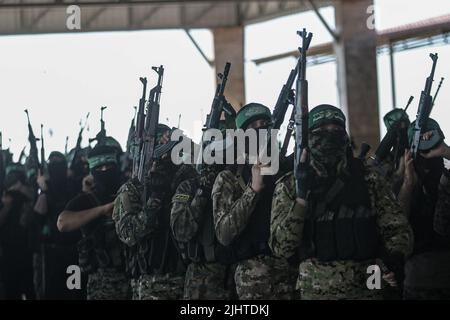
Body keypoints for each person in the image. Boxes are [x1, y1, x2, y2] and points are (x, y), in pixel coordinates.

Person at [270, 104, 413, 300]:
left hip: (370, 285)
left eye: (337, 130)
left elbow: (398, 230)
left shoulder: (368, 178)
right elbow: (282, 247)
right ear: (308, 137)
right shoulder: (290, 185)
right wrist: (302, 199)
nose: (330, 135)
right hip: (316, 289)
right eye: (321, 130)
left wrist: (394, 259)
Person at [211, 103, 296, 300]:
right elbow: (224, 233)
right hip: (253, 277)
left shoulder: (286, 171)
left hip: (291, 273)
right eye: (254, 126)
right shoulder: (229, 177)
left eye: (265, 124)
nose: (261, 128)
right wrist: (253, 190)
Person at [113, 125, 197, 300]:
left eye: (169, 152)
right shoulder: (133, 189)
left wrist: (185, 142)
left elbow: (207, 160)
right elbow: (128, 234)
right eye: (159, 154)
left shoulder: (185, 178)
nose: (165, 158)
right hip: (152, 282)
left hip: (187, 278)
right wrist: (155, 199)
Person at [170, 123, 236, 300]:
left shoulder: (240, 182)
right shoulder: (190, 187)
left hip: (238, 272)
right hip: (204, 276)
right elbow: (181, 231)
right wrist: (203, 193)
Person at [57, 145, 130, 300]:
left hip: (134, 276)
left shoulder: (130, 192)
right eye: (100, 168)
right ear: (92, 171)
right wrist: (103, 210)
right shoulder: (87, 199)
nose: (105, 171)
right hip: (104, 281)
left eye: (109, 166)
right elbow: (63, 223)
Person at [397, 119, 450, 300]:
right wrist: (407, 183)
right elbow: (396, 223)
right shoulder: (404, 180)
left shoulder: (446, 176)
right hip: (417, 277)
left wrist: (446, 151)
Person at [33, 151, 83, 300]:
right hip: (52, 252)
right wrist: (43, 192)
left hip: (74, 251)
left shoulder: (74, 186)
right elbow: (37, 219)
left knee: (74, 292)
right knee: (52, 292)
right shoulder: (46, 189)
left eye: (58, 164)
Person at [0, 164, 35, 300]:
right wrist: (7, 206)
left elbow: (32, 200)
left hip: (26, 248)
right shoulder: (4, 197)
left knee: (29, 288)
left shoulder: (26, 194)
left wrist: (20, 188)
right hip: (7, 250)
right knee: (10, 289)